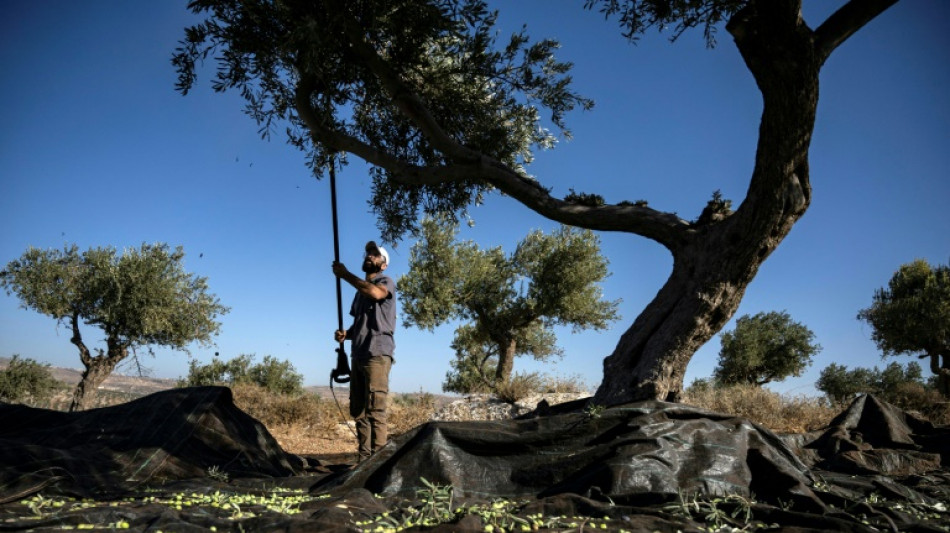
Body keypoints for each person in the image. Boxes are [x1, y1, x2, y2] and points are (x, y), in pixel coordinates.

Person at [332, 240, 397, 461]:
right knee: (358, 411)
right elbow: (361, 322)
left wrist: (345, 274)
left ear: (383, 265)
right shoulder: (360, 292)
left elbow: (376, 294)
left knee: (376, 410)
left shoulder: (385, 281)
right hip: (358, 353)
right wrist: (346, 334)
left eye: (376, 255)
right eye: (368, 253)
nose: (370, 256)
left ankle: (378, 463)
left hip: (377, 354)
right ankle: (363, 460)